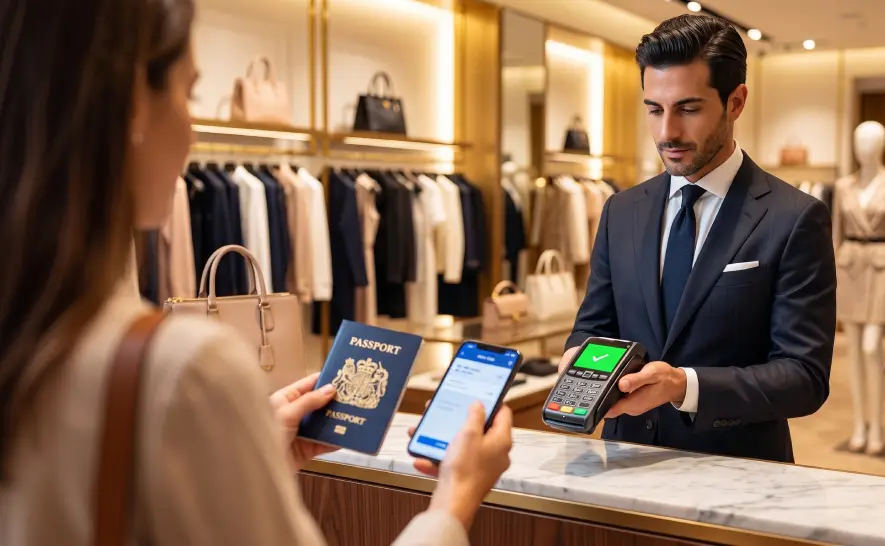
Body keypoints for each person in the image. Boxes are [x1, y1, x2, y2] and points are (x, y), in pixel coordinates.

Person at [0, 0, 512, 544]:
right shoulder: (181, 370)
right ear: (132, 105)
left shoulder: (35, 339)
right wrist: (455, 500)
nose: (193, 131)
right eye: (187, 93)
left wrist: (252, 452)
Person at [561, 14, 837, 463]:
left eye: (688, 109)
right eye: (654, 109)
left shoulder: (795, 218)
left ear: (736, 101)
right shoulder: (621, 210)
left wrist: (684, 387)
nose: (667, 132)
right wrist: (579, 355)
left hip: (736, 473)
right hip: (622, 461)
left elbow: (803, 377)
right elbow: (595, 323)